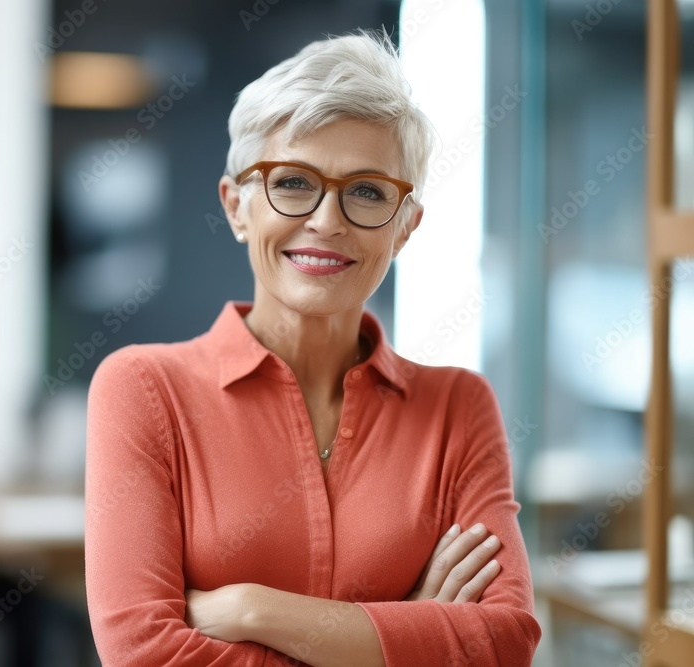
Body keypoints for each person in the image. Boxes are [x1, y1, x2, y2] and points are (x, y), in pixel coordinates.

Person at [84, 31, 541, 666]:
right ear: (237, 207)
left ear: (406, 228)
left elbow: (504, 644)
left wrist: (250, 609)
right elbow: (143, 655)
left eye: (368, 191)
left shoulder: (459, 407)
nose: (328, 219)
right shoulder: (142, 388)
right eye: (293, 182)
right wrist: (408, 631)